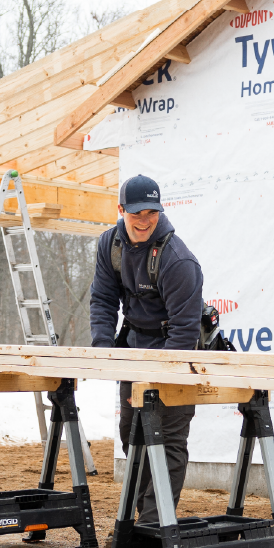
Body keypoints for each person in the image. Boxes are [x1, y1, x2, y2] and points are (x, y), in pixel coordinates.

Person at [90, 174, 204, 524]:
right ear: (121, 209)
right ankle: (147, 521)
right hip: (135, 350)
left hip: (175, 350)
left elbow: (185, 330)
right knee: (133, 436)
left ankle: (154, 525)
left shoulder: (178, 261)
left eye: (151, 213)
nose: (144, 220)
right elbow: (103, 299)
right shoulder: (110, 244)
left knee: (168, 440)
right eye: (137, 213)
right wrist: (104, 351)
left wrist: (160, 381)